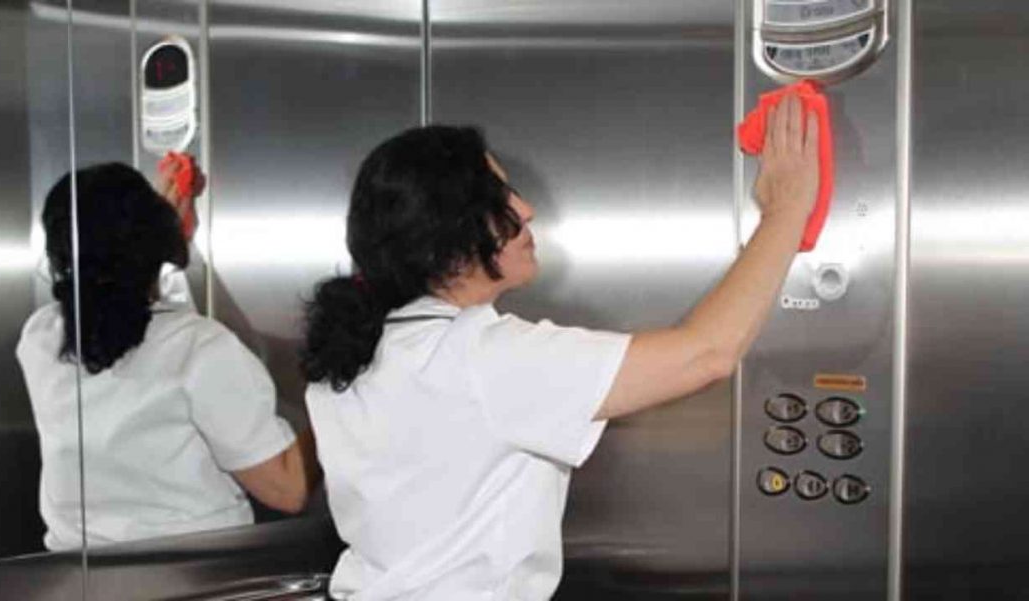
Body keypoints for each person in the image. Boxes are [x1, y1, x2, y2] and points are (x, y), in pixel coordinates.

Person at [303, 94, 819, 599]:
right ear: (445, 234)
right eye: (497, 199)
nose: (525, 210)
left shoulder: (363, 350)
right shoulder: (477, 357)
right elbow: (707, 354)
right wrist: (785, 210)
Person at [17, 160, 315, 550]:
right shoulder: (200, 349)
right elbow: (287, 490)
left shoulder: (41, 338)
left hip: (78, 580)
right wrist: (340, 398)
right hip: (194, 580)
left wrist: (158, 235)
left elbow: (120, 316)